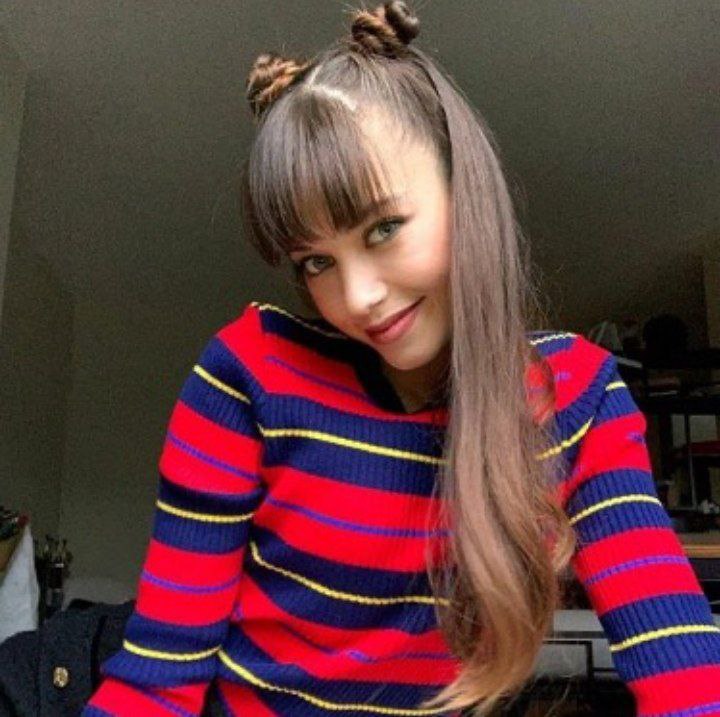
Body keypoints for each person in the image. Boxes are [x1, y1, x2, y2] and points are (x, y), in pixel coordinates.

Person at [82, 2, 720, 715]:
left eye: (383, 228)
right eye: (316, 261)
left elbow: (684, 668)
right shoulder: (248, 376)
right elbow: (159, 676)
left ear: (463, 189)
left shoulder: (579, 399)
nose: (358, 297)